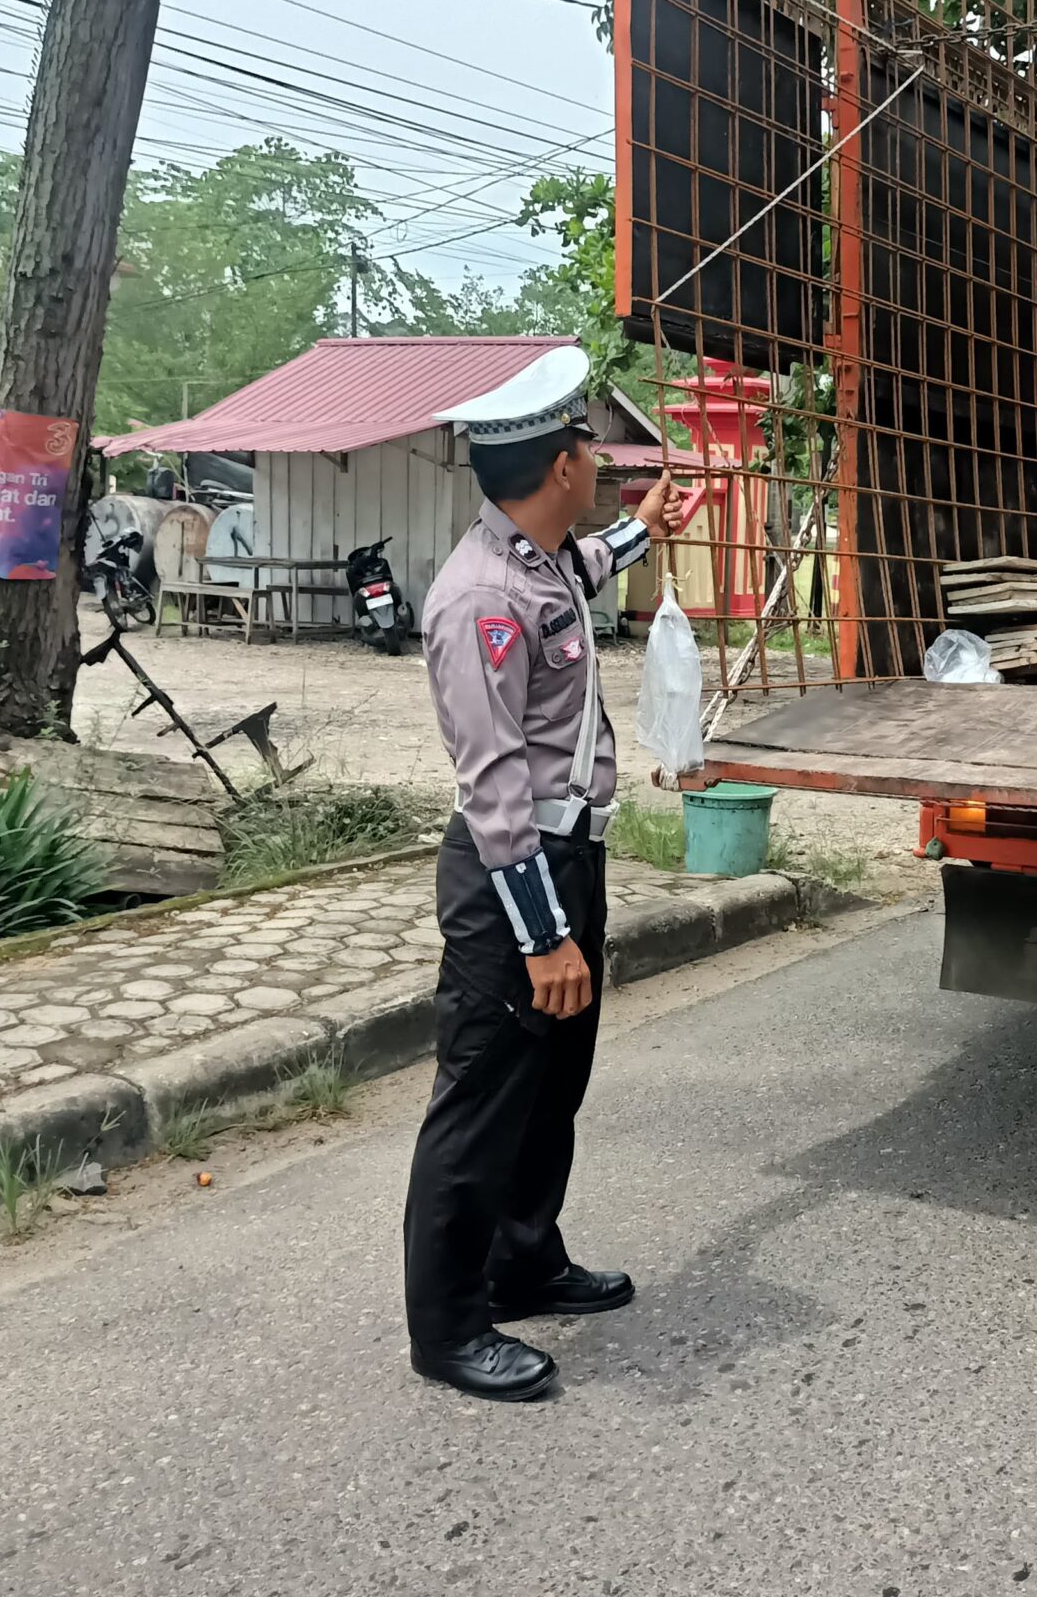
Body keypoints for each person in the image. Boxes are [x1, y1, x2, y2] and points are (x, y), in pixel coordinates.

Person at [406, 344, 677, 1401]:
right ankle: (448, 1326)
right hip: (511, 879)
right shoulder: (475, 598)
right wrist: (542, 933)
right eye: (586, 450)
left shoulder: (541, 559)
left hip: (572, 856)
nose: (596, 464)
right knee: (480, 1102)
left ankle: (526, 1261)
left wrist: (647, 526)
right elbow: (491, 786)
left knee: (550, 1087)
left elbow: (591, 569)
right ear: (559, 466)